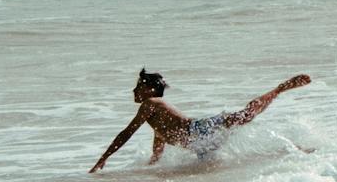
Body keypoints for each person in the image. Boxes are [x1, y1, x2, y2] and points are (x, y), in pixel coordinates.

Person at [90, 69, 312, 172]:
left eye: (138, 85)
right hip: (202, 146)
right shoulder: (157, 121)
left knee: (246, 115)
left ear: (149, 89)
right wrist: (150, 168)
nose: (134, 89)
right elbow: (158, 149)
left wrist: (104, 157)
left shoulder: (151, 104)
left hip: (202, 129)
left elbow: (127, 132)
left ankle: (280, 89)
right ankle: (294, 152)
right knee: (241, 160)